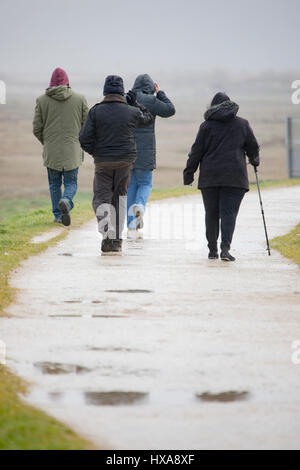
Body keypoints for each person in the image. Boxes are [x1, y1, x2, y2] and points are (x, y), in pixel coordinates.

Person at [79, 75, 154, 254]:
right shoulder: (131, 111)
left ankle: (106, 231)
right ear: (122, 92)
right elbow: (149, 118)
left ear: (105, 91)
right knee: (119, 199)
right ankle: (116, 241)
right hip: (125, 162)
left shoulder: (96, 111)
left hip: (103, 163)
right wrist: (136, 104)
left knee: (101, 198)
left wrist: (96, 153)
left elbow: (83, 138)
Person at [183, 92, 260, 261]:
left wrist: (189, 173)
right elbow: (253, 147)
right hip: (235, 178)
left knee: (211, 213)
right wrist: (254, 160)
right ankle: (225, 249)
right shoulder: (243, 124)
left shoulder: (206, 126)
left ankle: (212, 251)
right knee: (229, 213)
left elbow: (196, 152)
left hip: (210, 178)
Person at [33, 67, 89, 226]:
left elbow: (37, 128)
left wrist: (48, 142)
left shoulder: (41, 100)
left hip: (52, 151)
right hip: (72, 150)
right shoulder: (80, 99)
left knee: (54, 184)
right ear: (67, 82)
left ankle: (58, 215)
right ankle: (66, 201)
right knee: (71, 183)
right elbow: (87, 126)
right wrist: (79, 143)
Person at [127, 74, 175, 239]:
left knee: (131, 187)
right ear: (151, 87)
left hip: (128, 151)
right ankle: (140, 206)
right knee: (145, 183)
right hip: (146, 152)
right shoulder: (152, 101)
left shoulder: (128, 100)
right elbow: (170, 110)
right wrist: (159, 93)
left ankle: (132, 228)